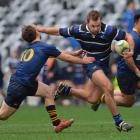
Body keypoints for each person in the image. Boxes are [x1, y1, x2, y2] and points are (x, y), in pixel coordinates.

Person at [33, 10, 134, 132]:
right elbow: (58, 31)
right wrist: (40, 29)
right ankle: (119, 122)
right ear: (87, 23)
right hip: (90, 64)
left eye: (98, 25)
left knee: (92, 99)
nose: (96, 28)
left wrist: (131, 51)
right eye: (93, 26)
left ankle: (65, 89)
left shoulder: (109, 30)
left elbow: (128, 36)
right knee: (108, 87)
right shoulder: (78, 30)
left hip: (104, 67)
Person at [0, 25, 95, 133]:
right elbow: (65, 58)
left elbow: (55, 54)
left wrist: (74, 53)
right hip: (22, 84)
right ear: (37, 33)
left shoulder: (32, 48)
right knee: (3, 115)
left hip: (22, 82)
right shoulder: (43, 47)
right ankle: (57, 124)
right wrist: (84, 61)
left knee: (48, 92)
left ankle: (57, 124)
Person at [113, 10, 140, 107]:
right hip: (127, 73)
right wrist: (137, 71)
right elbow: (128, 59)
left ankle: (106, 93)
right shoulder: (134, 39)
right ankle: (103, 97)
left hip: (132, 72)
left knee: (127, 97)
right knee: (128, 102)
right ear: (137, 23)